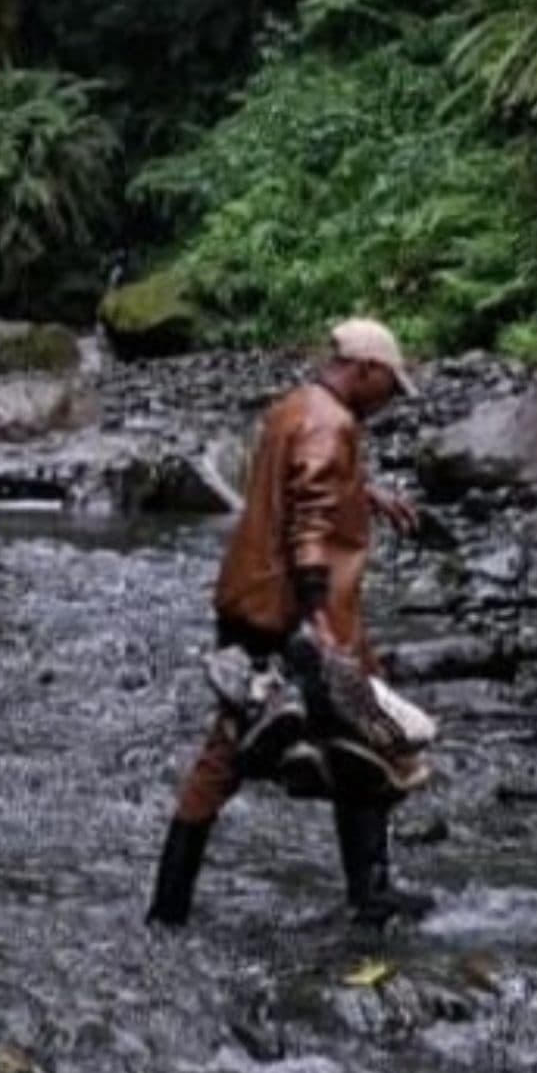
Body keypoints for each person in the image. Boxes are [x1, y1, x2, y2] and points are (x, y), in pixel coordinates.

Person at [147, 317, 434, 930]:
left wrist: (365, 493)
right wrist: (316, 627)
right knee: (367, 739)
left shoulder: (295, 408)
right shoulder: (332, 422)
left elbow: (299, 485)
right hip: (294, 618)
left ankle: (170, 906)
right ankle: (369, 893)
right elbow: (308, 523)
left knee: (266, 750)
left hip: (251, 602)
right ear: (364, 370)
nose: (389, 399)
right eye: (388, 384)